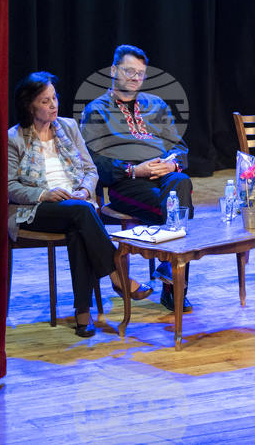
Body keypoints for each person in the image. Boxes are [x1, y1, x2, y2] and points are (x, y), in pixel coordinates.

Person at [8, 72, 153, 338]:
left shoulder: (69, 127)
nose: (53, 105)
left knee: (78, 228)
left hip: (74, 205)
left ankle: (82, 313)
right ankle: (117, 274)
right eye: (45, 101)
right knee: (83, 211)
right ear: (29, 106)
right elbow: (9, 186)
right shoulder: (14, 138)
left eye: (54, 98)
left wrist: (85, 190)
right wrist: (44, 194)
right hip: (35, 209)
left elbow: (90, 169)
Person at [80, 45, 194, 312]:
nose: (135, 78)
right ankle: (173, 282)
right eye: (129, 71)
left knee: (181, 182)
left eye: (140, 74)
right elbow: (93, 162)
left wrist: (172, 163)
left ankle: (169, 268)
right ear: (113, 70)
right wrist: (133, 170)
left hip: (163, 178)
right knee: (176, 210)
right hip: (127, 184)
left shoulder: (157, 104)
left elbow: (180, 148)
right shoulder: (96, 110)